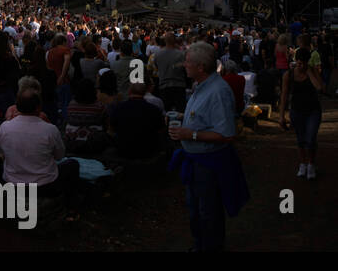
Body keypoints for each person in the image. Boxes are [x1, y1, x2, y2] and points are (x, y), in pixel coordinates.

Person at [168, 42, 249, 252]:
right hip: (195, 160)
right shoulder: (201, 86)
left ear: (201, 67)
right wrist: (182, 117)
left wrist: (190, 134)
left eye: (187, 63)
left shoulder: (218, 91)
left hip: (209, 163)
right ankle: (200, 245)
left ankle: (211, 247)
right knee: (195, 209)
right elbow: (204, 117)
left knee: (208, 211)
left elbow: (227, 134)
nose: (184, 65)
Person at [0, 89, 79, 198]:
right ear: (38, 107)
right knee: (72, 164)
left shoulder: (4, 127)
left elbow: (3, 153)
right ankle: (69, 203)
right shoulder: (50, 129)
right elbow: (60, 156)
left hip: (14, 185)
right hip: (44, 186)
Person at [279, 40, 323, 180]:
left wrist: (310, 72)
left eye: (304, 63)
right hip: (297, 110)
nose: (301, 65)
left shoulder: (312, 71)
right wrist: (281, 116)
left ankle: (311, 164)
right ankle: (303, 163)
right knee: (301, 139)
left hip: (313, 111)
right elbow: (284, 95)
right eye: (299, 63)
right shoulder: (289, 75)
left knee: (310, 139)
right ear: (295, 60)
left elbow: (320, 88)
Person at [107, 80, 166, 159]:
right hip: (148, 151)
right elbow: (161, 130)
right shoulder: (154, 110)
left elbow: (111, 131)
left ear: (129, 92)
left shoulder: (118, 108)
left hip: (124, 150)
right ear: (145, 93)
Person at [153, 33, 187, 112]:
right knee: (180, 112)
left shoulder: (157, 54)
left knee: (166, 112)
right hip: (179, 86)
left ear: (165, 41)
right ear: (175, 41)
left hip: (164, 86)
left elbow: (157, 67)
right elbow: (185, 69)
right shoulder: (181, 54)